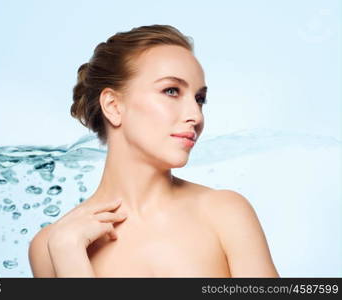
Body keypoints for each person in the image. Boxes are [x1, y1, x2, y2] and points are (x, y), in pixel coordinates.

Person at [28, 24, 279, 278]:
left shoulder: (225, 213)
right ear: (113, 106)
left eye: (199, 99)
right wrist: (69, 254)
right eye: (171, 91)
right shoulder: (53, 244)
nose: (195, 115)